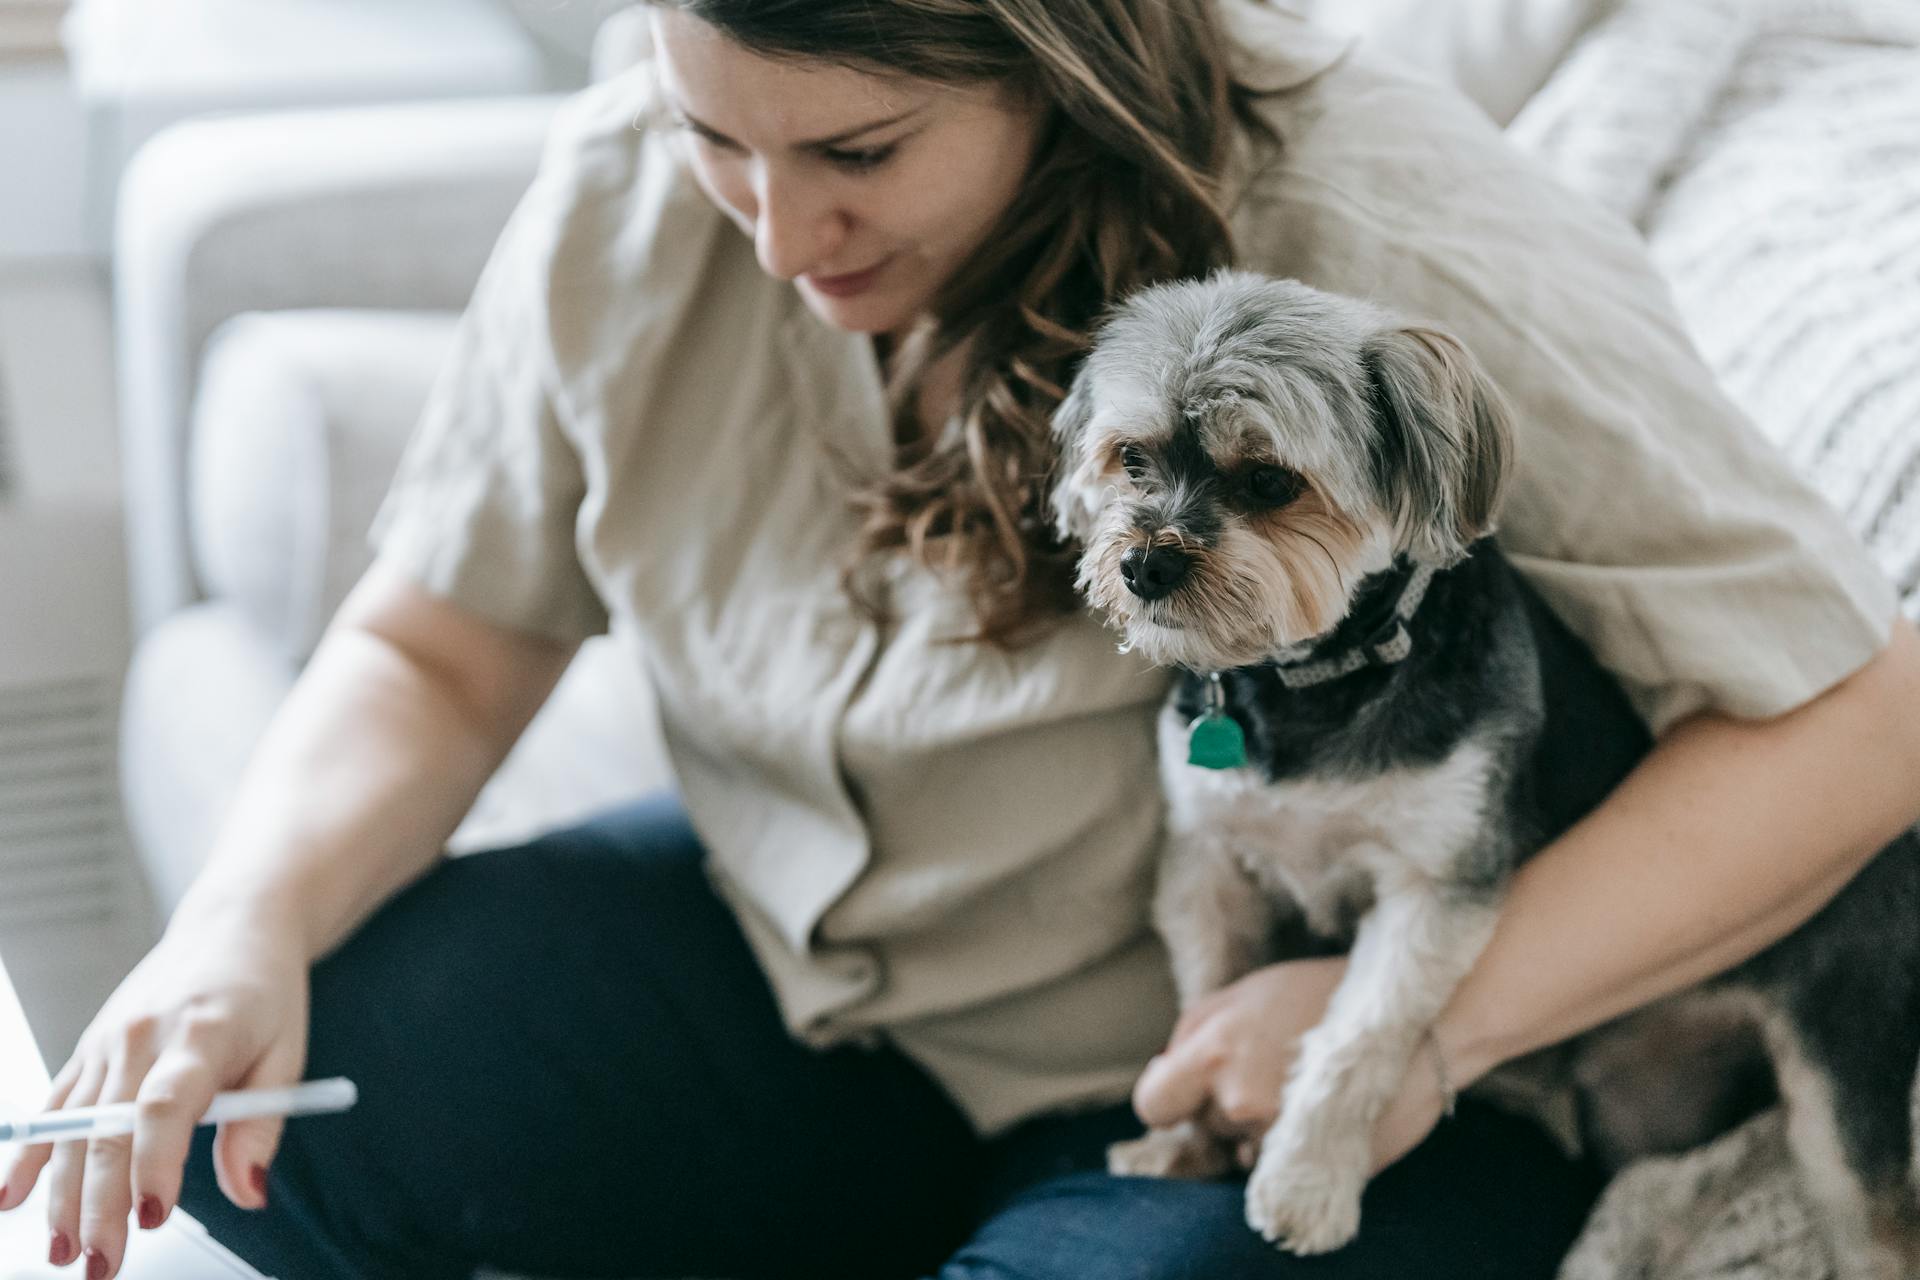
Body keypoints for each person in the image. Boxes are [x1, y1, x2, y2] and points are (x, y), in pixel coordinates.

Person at [6, 1, 1918, 1277]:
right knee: (265, 1122)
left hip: (1248, 1053)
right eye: (713, 139)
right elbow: (441, 643)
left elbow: (1855, 721)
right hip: (800, 967)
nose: (773, 236)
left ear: (1058, 61)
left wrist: (1386, 1026)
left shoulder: (1379, 233)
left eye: (859, 151)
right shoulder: (626, 189)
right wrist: (233, 923)